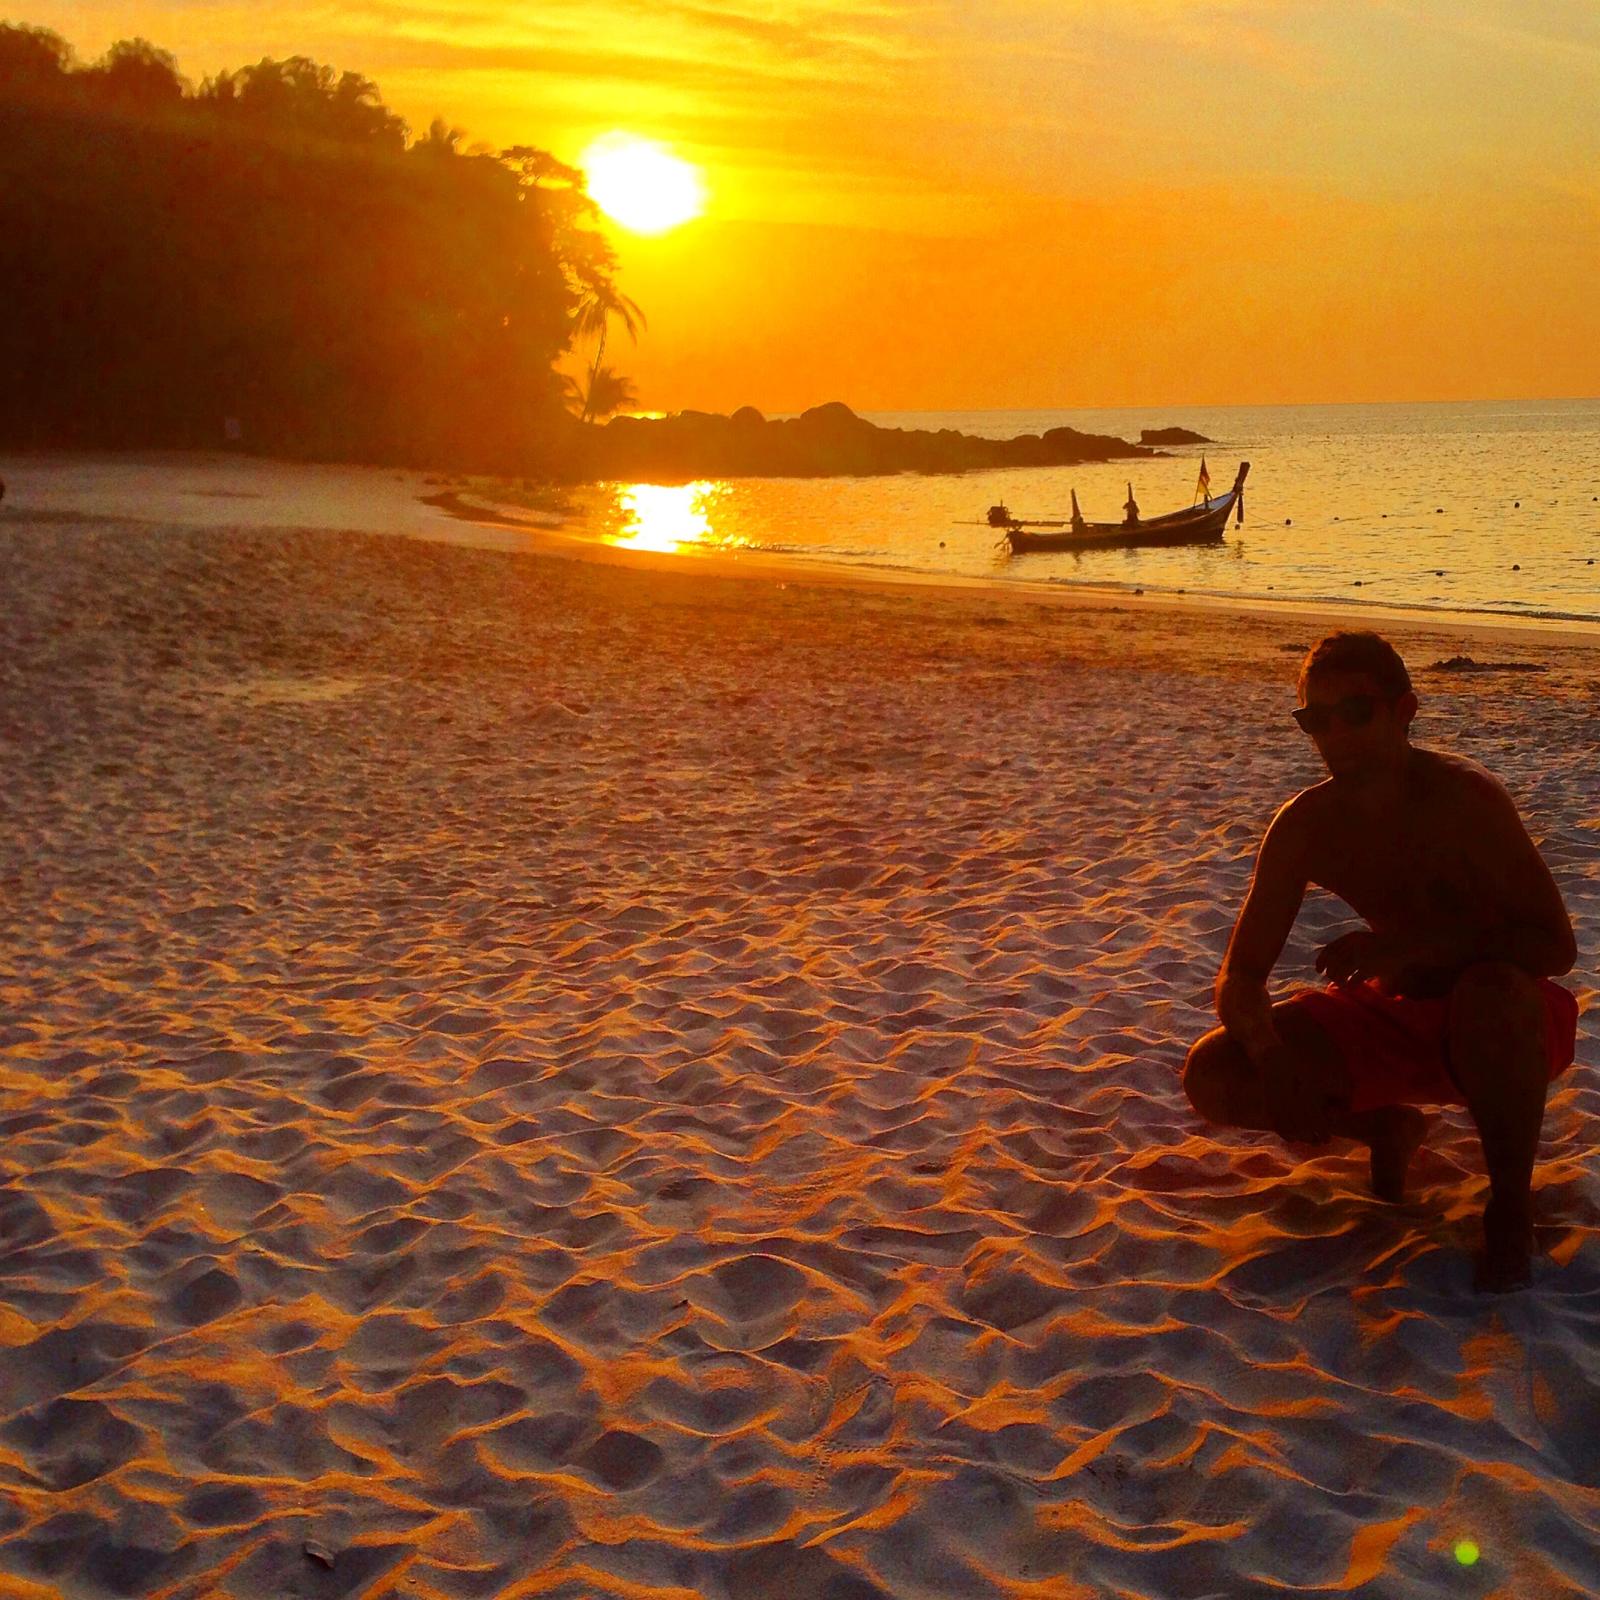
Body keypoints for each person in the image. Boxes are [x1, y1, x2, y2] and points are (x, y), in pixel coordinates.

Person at [1183, 630, 1578, 1292]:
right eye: (1317, 718)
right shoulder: (1306, 825)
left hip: (1508, 1024)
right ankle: (1381, 1129)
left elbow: (1554, 947)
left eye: (1357, 712)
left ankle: (1510, 1204)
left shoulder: (1465, 798)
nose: (1336, 734)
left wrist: (1414, 948)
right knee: (1214, 1072)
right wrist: (1273, 1058)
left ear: (1404, 712)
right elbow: (1241, 975)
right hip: (1392, 1013)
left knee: (1491, 991)